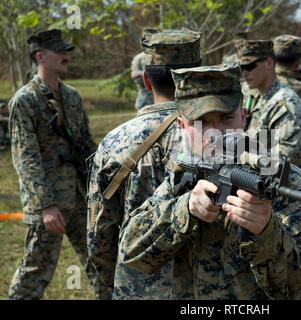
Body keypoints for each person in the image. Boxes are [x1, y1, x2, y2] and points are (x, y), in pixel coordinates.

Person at [117, 64, 301, 299]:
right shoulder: (182, 176)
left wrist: (266, 233)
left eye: (227, 118)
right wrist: (183, 210)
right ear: (182, 126)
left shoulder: (287, 183)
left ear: (244, 116)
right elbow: (131, 253)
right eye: (202, 122)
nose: (216, 133)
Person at [87, 28, 201, 299]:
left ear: (147, 82)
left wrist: (119, 284)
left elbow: (98, 238)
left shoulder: (114, 143)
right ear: (198, 77)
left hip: (137, 289)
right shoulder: (218, 139)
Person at [7, 29, 108, 299]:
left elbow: (87, 146)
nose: (67, 55)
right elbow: (25, 158)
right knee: (36, 269)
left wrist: (100, 187)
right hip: (49, 203)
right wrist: (45, 204)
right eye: (59, 51)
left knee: (100, 260)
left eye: (67, 50)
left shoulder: (72, 96)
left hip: (79, 195)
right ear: (40, 56)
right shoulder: (24, 101)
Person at [237, 40, 301, 172]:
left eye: (249, 66)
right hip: (254, 177)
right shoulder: (250, 94)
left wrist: (241, 156)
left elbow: (290, 158)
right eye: (241, 68)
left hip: (283, 185)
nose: (244, 73)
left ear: (269, 63)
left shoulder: (286, 103)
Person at [131, 30, 155, 111]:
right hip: (145, 97)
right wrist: (144, 73)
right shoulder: (139, 58)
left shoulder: (162, 56)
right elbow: (133, 74)